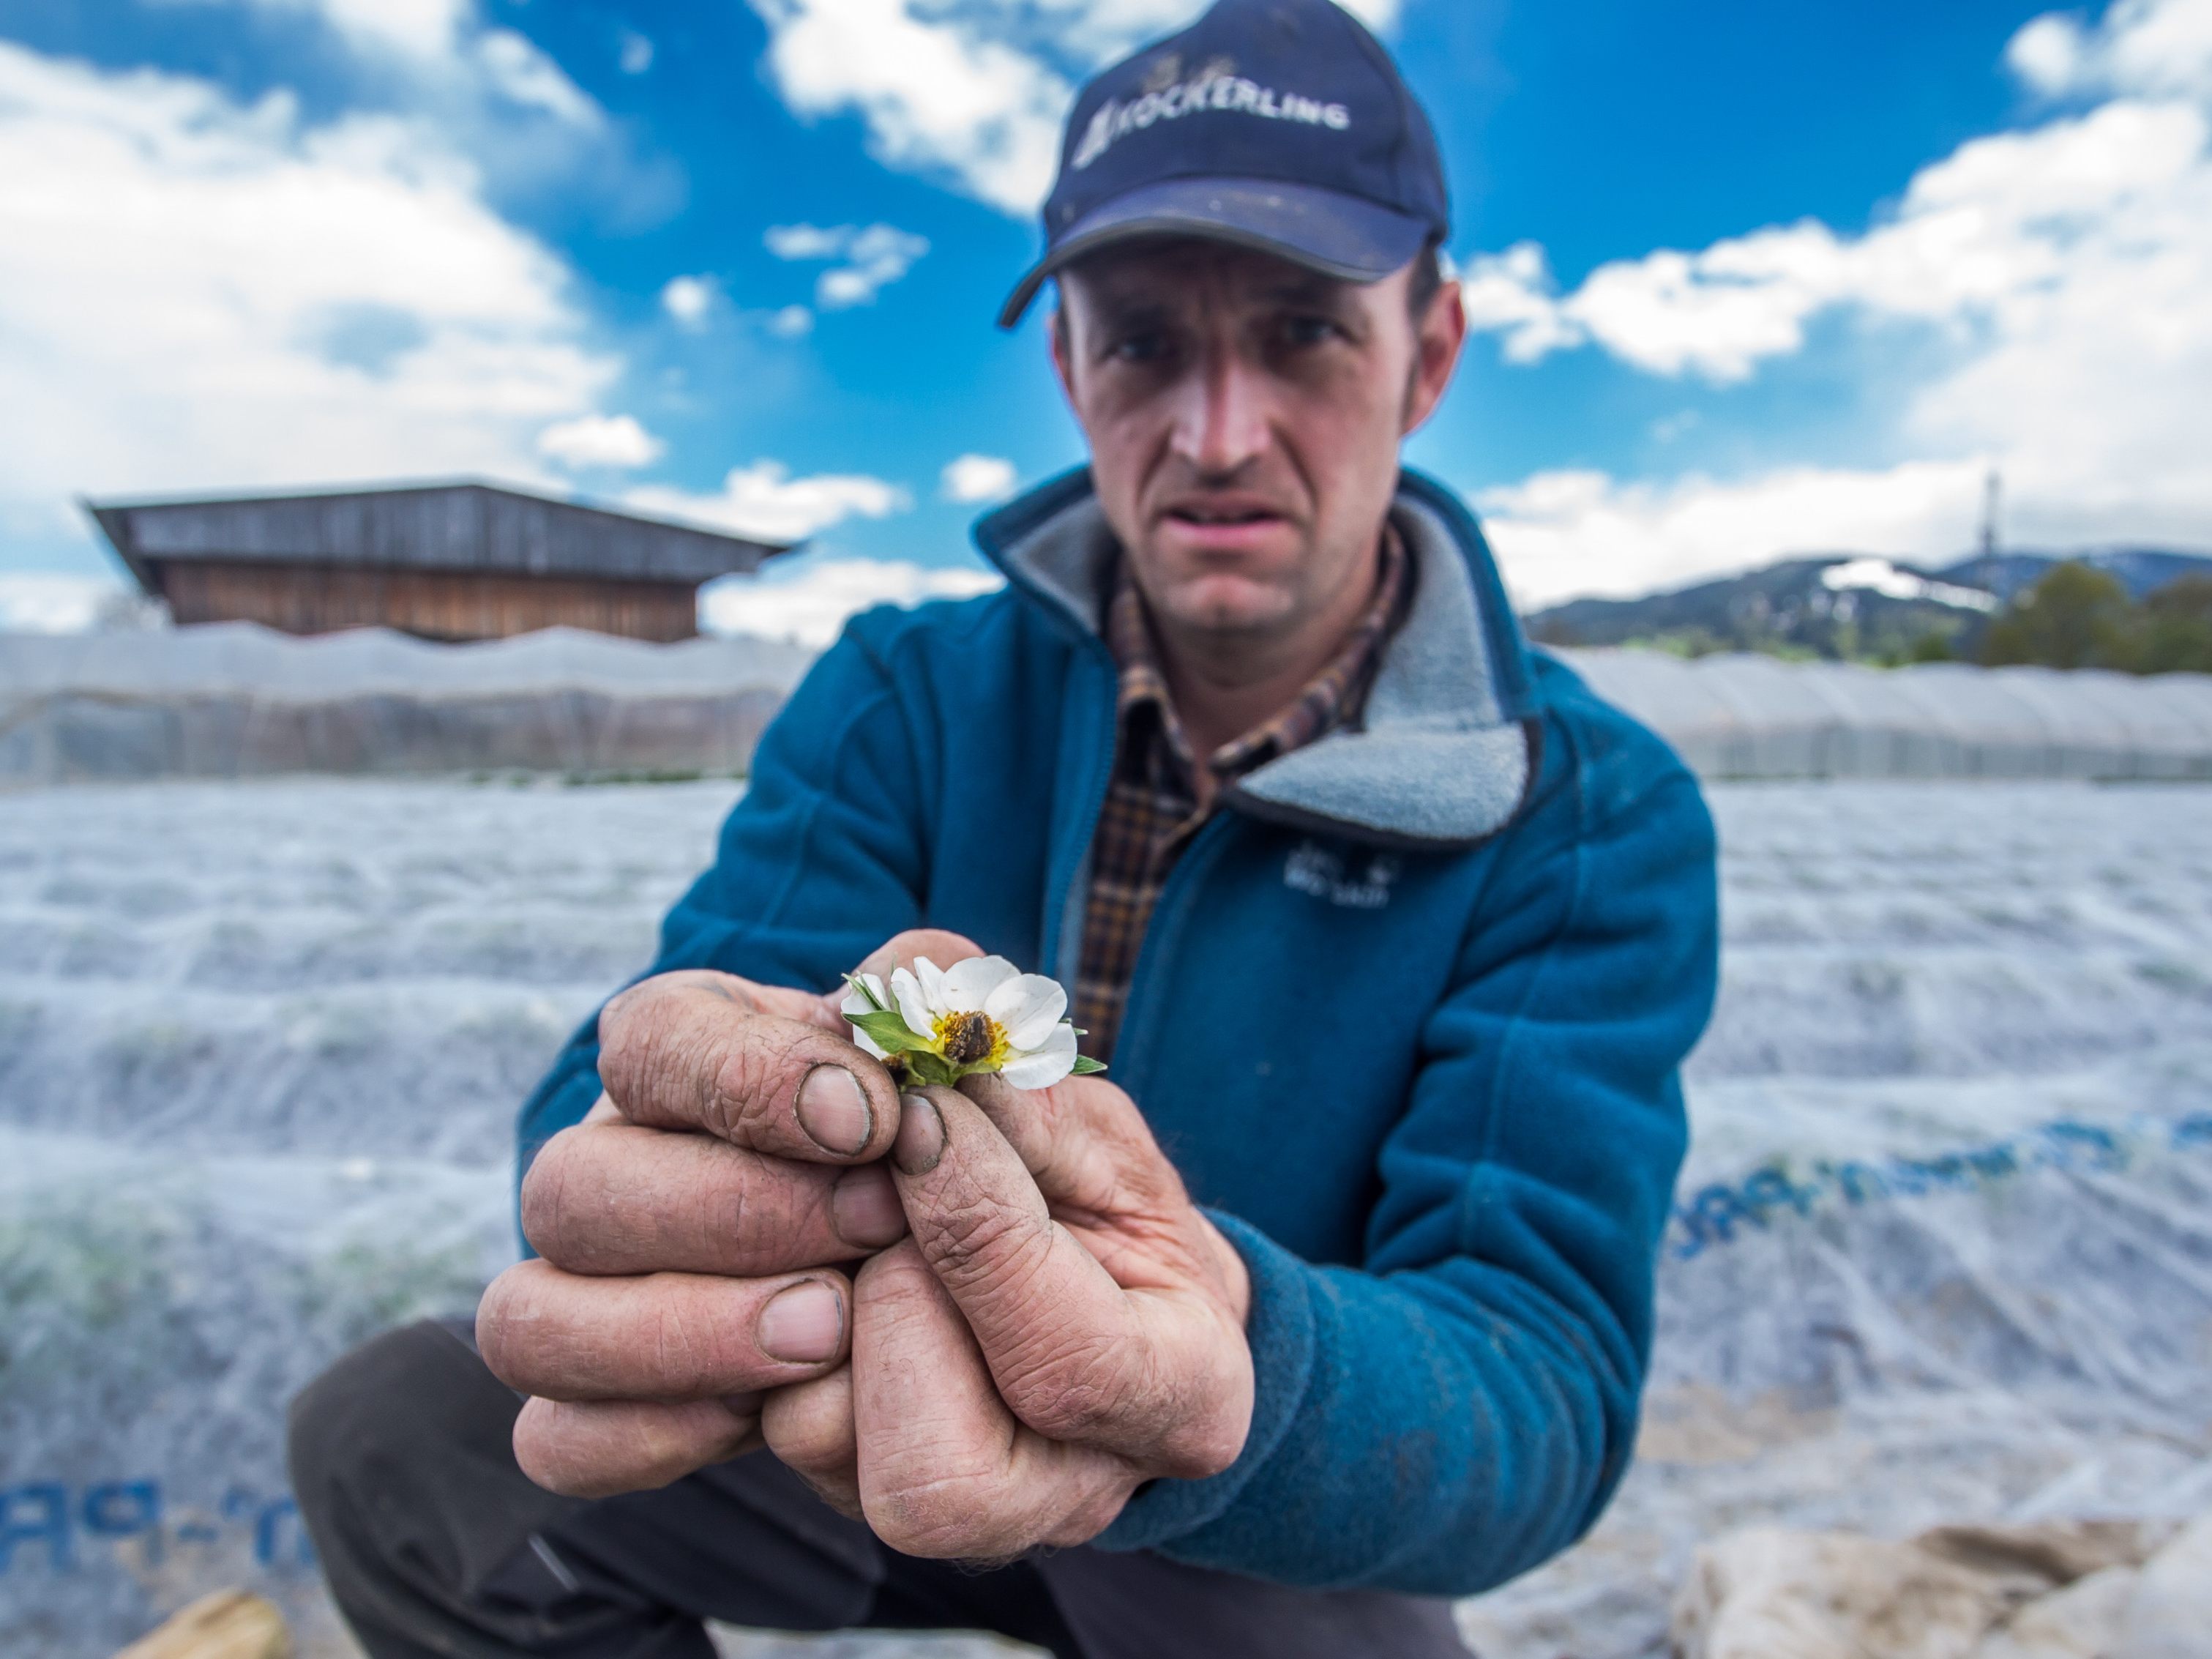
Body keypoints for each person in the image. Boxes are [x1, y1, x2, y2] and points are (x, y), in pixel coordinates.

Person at [288, 1, 1720, 1654]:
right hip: (829, 1405)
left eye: (1305, 333)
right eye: (1140, 345)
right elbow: (615, 1103)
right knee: (403, 1434)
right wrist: (692, 1156)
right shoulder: (905, 694)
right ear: (1066, 367)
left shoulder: (1588, 813)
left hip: (1243, 1490)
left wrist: (1231, 1365)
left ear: (1432, 352)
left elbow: (1532, 1376)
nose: (1215, 433)